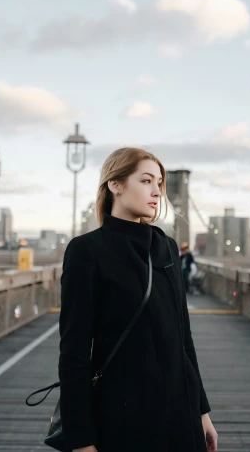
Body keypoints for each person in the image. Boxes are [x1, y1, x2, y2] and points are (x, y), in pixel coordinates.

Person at [58, 147, 218, 452]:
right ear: (115, 185)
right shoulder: (86, 251)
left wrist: (202, 411)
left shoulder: (167, 247)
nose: (156, 191)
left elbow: (183, 339)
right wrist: (80, 440)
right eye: (146, 181)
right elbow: (74, 353)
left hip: (180, 412)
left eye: (159, 183)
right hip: (124, 416)